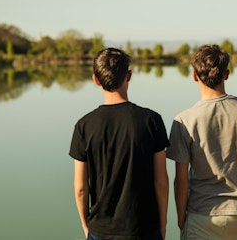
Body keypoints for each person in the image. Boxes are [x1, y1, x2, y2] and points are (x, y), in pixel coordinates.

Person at [166, 44, 237, 240]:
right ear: (226, 74)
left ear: (194, 76)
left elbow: (181, 181)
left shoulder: (184, 120)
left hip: (202, 216)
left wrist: (181, 219)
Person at [69, 48, 170, 240]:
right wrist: (162, 224)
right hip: (144, 229)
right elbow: (161, 182)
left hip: (101, 230)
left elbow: (81, 188)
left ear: (95, 80)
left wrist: (86, 225)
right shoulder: (152, 120)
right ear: (129, 75)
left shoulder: (84, 126)